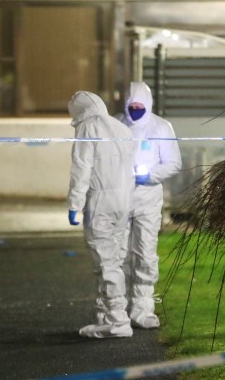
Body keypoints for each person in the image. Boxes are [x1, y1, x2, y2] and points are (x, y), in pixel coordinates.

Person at [67, 90, 136, 339]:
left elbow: (81, 168)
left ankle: (117, 320)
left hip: (101, 201)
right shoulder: (122, 128)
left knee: (106, 263)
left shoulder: (88, 128)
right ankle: (106, 315)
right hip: (124, 200)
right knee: (115, 259)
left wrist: (75, 204)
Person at [116, 82, 182, 329]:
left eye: (139, 106)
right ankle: (117, 308)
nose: (135, 110)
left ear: (148, 104)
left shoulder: (161, 127)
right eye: (131, 106)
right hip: (120, 199)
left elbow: (173, 162)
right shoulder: (117, 124)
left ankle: (142, 310)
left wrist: (150, 175)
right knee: (118, 254)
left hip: (147, 200)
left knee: (144, 254)